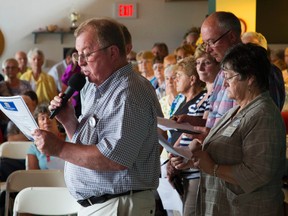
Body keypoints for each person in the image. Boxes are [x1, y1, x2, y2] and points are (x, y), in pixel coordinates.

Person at [32, 17, 162, 216]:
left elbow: (114, 159)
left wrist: (59, 148)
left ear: (113, 52)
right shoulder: (93, 88)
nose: (80, 62)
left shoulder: (129, 92)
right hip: (101, 204)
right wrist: (69, 122)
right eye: (78, 55)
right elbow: (91, 144)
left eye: (87, 54)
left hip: (120, 204)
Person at [172, 43, 286, 215]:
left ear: (250, 78)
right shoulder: (237, 110)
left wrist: (212, 168)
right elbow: (227, 151)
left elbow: (257, 173)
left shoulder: (263, 115)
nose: (224, 84)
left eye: (228, 77)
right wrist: (191, 159)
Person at [168, 47, 219, 216]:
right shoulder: (203, 97)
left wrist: (184, 155)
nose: (201, 67)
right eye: (198, 63)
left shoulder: (212, 96)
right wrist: (172, 154)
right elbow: (184, 132)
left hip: (197, 166)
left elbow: (206, 130)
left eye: (206, 63)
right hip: (185, 165)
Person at [241, 31, 286, 110]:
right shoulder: (243, 71)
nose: (244, 52)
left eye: (250, 47)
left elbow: (273, 105)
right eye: (241, 47)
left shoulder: (270, 71)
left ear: (263, 51)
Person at [27, 103, 64, 170]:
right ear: (37, 123)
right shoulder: (34, 147)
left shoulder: (70, 138)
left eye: (50, 116)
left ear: (57, 120)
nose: (46, 121)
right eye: (42, 118)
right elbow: (31, 176)